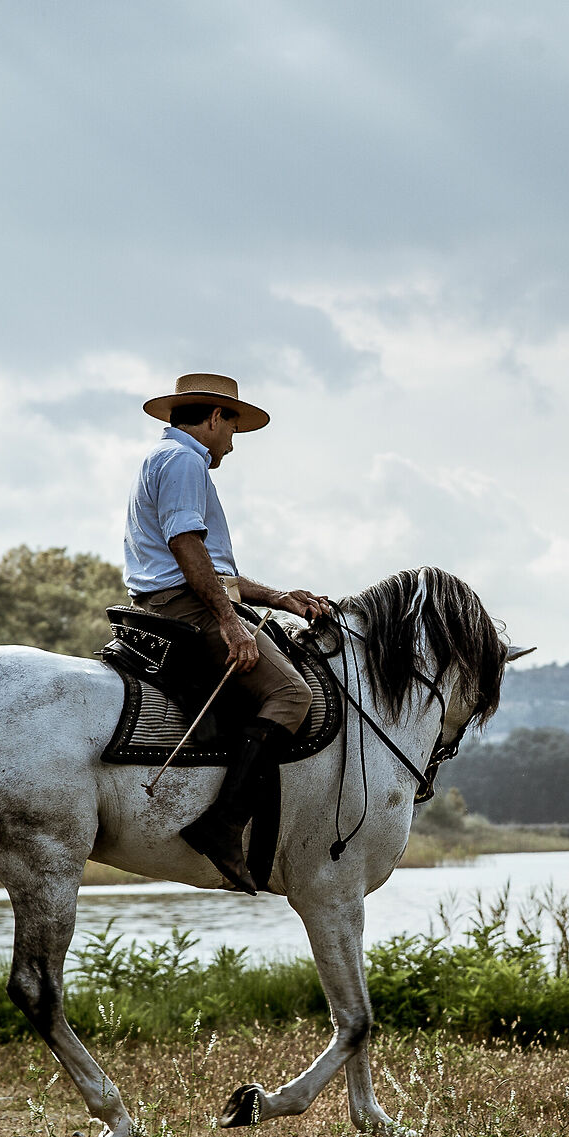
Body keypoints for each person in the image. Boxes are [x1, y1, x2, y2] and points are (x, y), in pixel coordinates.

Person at [123, 372, 331, 892]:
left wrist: (279, 597)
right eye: (233, 430)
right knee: (291, 693)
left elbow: (213, 567)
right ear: (214, 418)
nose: (232, 446)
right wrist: (229, 621)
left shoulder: (165, 457)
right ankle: (221, 826)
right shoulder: (186, 460)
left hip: (180, 596)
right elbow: (188, 549)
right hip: (186, 606)